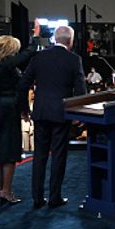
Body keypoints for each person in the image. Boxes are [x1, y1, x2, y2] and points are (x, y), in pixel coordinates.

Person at [20, 25, 87, 209]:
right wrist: (78, 114)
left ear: (54, 39)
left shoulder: (39, 57)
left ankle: (37, 197)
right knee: (58, 156)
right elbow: (81, 90)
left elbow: (24, 82)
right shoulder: (74, 60)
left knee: (39, 156)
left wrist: (24, 108)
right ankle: (54, 197)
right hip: (61, 115)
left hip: (41, 112)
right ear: (70, 41)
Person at [0, 20, 40, 205]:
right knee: (10, 150)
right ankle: (6, 191)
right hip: (9, 108)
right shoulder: (7, 65)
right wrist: (35, 36)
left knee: (0, 150)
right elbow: (29, 52)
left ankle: (1, 188)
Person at [21, 88, 35, 154]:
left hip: (33, 125)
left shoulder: (36, 103)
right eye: (32, 94)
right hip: (25, 125)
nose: (33, 95)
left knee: (34, 146)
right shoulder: (24, 105)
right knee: (25, 147)